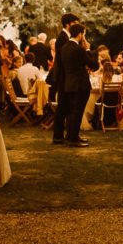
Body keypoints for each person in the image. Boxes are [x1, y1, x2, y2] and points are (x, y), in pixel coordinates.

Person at [60, 22, 99, 147]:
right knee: (77, 112)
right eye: (84, 34)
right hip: (80, 85)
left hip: (69, 83)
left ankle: (72, 136)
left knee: (72, 112)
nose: (84, 37)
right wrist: (88, 49)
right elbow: (93, 64)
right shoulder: (78, 49)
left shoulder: (64, 47)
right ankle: (73, 139)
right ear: (80, 34)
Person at [48, 13, 80, 145]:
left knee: (66, 106)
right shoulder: (62, 38)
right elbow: (63, 60)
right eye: (75, 23)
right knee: (62, 107)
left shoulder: (66, 37)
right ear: (68, 24)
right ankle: (58, 136)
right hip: (63, 77)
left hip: (67, 76)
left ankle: (63, 135)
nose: (77, 26)